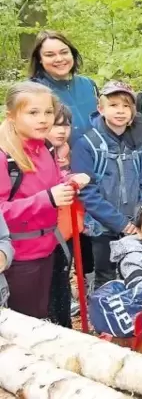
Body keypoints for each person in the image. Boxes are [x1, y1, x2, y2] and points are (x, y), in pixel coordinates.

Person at [0, 82, 89, 318]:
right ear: (11, 116)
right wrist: (47, 199)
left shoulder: (45, 148)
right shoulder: (5, 157)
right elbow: (2, 211)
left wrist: (69, 180)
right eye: (33, 113)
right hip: (18, 258)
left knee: (42, 314)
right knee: (24, 322)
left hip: (48, 247)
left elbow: (50, 181)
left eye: (48, 112)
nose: (43, 119)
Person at [28, 30, 97, 314]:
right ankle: (59, 297)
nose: (59, 59)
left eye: (63, 52)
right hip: (52, 170)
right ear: (40, 60)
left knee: (88, 231)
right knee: (60, 237)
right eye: (50, 54)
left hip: (90, 166)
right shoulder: (34, 90)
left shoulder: (87, 85)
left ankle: (89, 290)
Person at [71, 81, 142, 289]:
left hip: (137, 222)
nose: (120, 111)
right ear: (101, 109)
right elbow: (88, 192)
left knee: (137, 270)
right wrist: (120, 223)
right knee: (106, 274)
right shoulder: (87, 144)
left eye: (126, 106)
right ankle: (106, 313)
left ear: (133, 111)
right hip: (102, 225)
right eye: (113, 105)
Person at [46, 102, 75, 327]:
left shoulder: (66, 152)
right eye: (56, 125)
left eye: (66, 125)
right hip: (43, 231)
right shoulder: (37, 155)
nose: (62, 130)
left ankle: (63, 323)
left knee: (62, 277)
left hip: (65, 228)